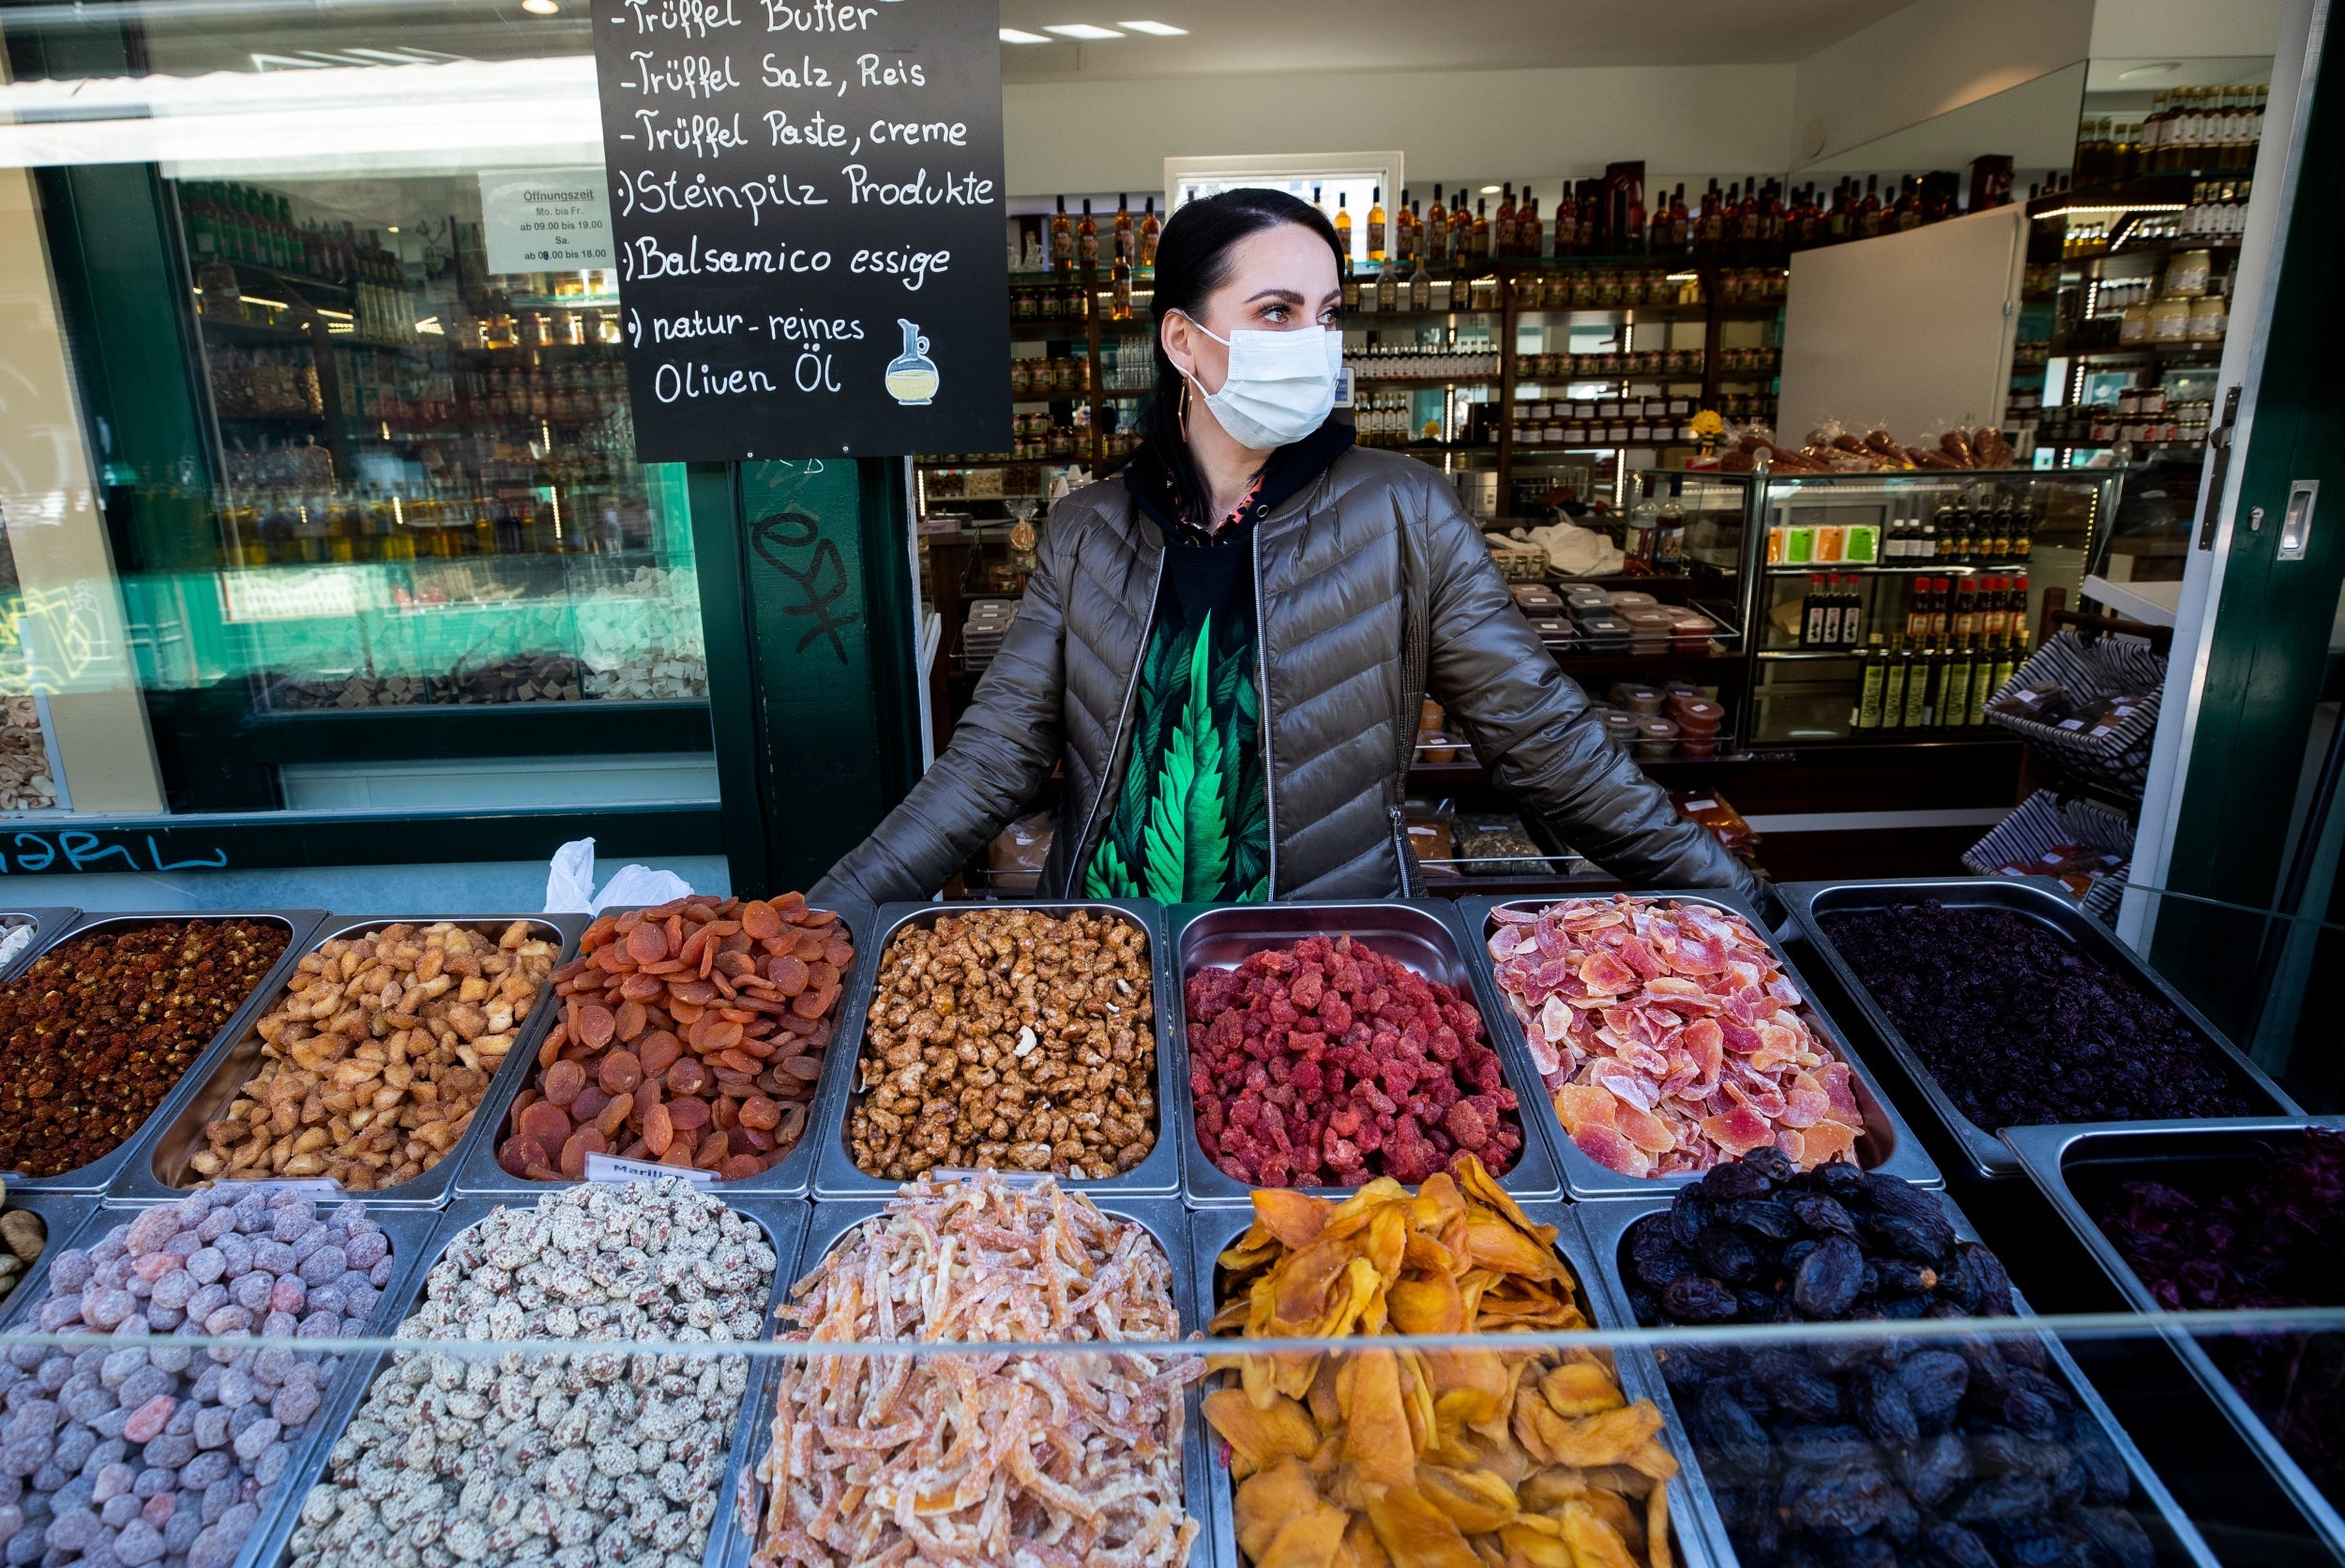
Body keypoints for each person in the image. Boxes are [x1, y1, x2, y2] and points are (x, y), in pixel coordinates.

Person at [811, 187, 1754, 911]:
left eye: (1329, 314)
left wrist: (1735, 897)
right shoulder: (1088, 527)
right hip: (1108, 948)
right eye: (1275, 313)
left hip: (1320, 963)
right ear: (1184, 341)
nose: (1315, 342)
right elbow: (991, 762)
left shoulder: (1402, 511)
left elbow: (1547, 741)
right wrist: (826, 916)